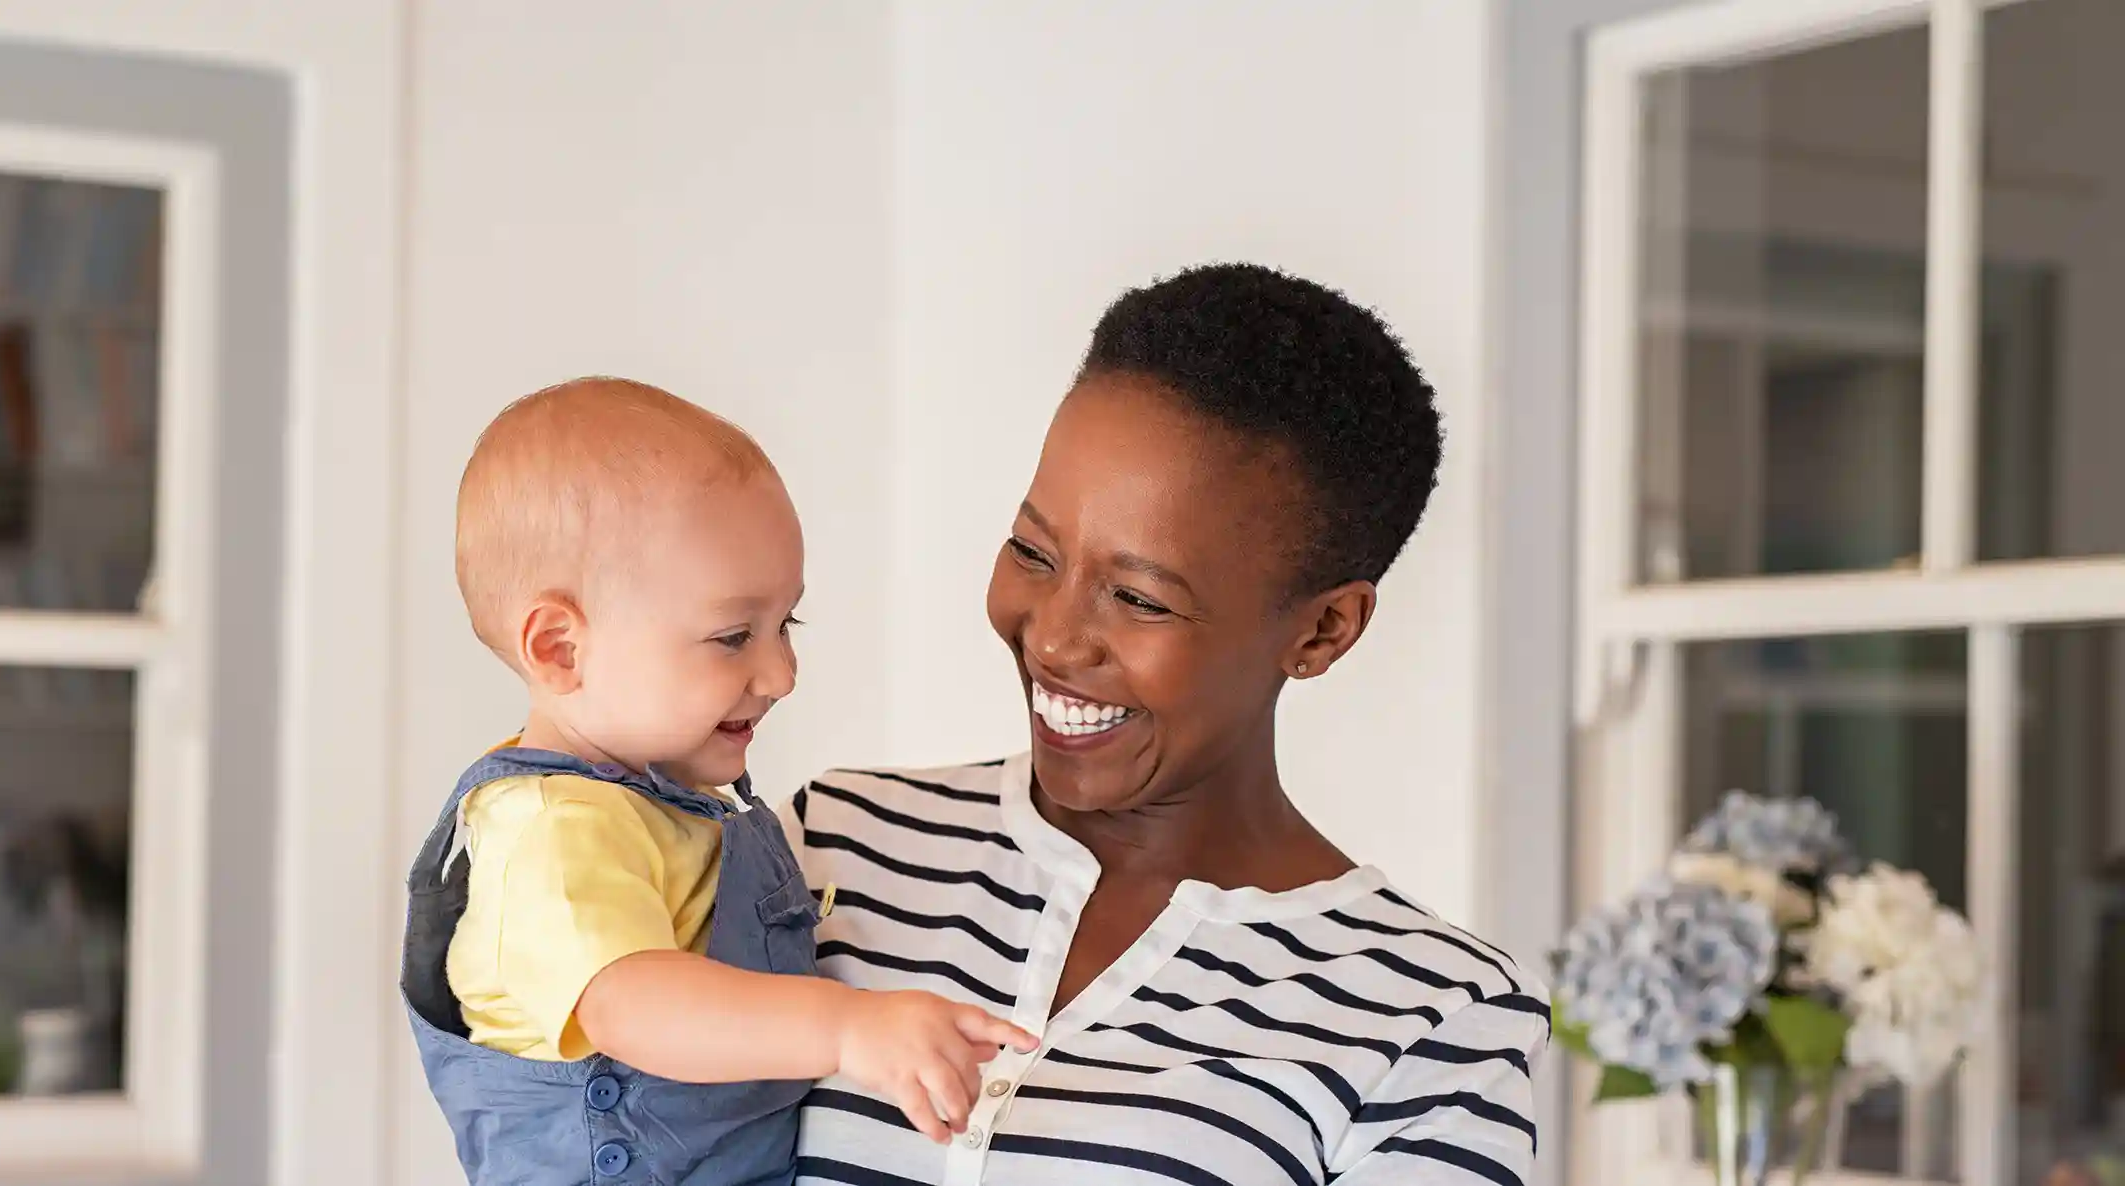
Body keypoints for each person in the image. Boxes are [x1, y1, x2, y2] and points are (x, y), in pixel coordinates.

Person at [785, 265, 1551, 1185]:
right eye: (1033, 551)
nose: (1057, 639)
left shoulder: (1430, 1019)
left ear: (1321, 630)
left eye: (1140, 599)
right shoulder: (831, 849)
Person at [400, 378, 1035, 1186]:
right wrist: (848, 1028)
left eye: (785, 626)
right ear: (560, 648)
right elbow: (636, 1005)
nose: (781, 673)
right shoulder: (550, 830)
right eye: (734, 637)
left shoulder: (658, 805)